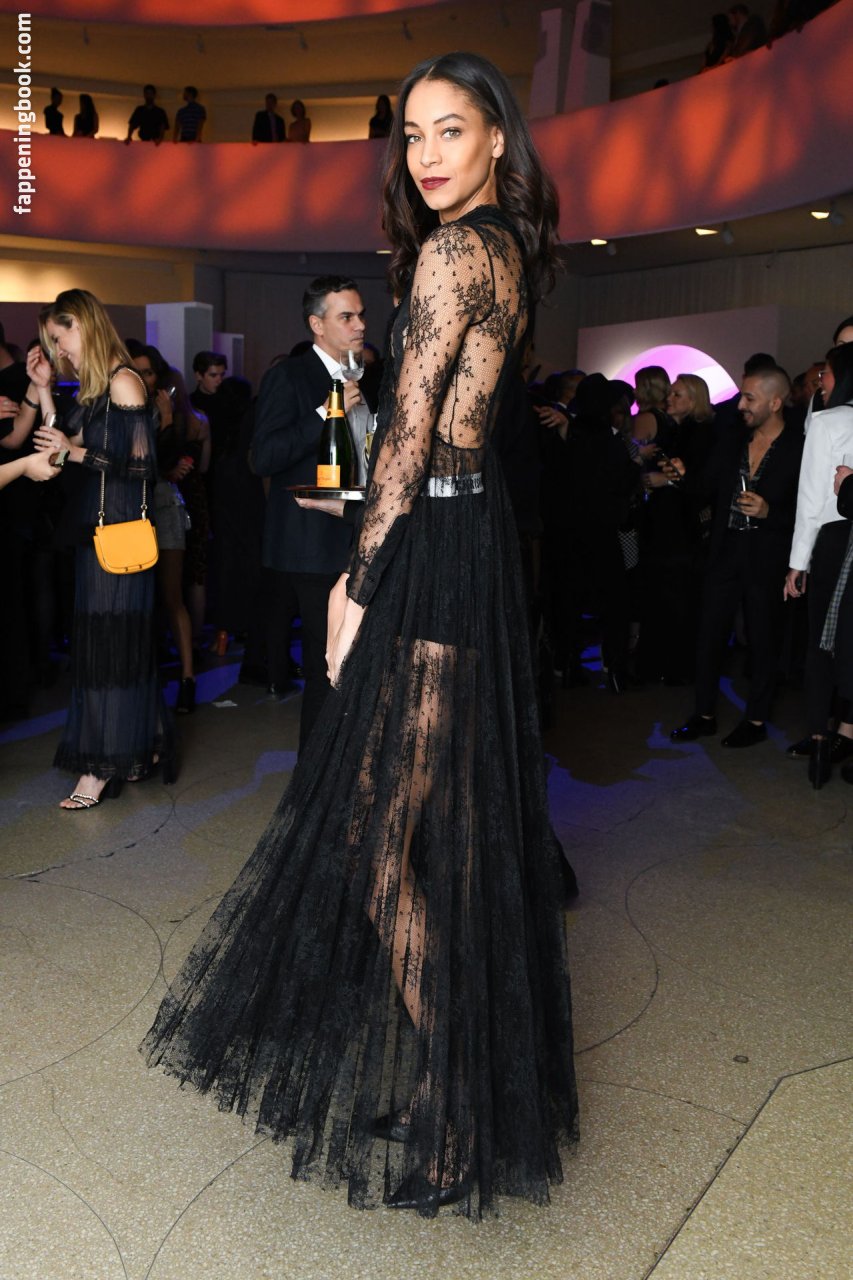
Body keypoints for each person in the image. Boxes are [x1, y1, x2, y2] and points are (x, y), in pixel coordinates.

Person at [143, 50, 578, 1218]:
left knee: (379, 833)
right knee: (436, 833)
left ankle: (461, 1100)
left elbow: (408, 436)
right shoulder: (507, 247)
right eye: (412, 134)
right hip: (468, 538)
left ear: (497, 137)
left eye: (451, 129)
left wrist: (357, 580)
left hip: (432, 549)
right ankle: (456, 1080)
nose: (427, 154)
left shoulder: (454, 251)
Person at [22, 289, 173, 807]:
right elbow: (57, 448)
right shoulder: (94, 390)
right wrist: (44, 392)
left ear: (82, 325)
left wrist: (75, 451)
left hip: (119, 534)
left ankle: (98, 769)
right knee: (111, 648)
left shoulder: (125, 381)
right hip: (98, 535)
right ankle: (142, 746)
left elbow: (142, 467)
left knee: (109, 653)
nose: (58, 349)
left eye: (59, 337)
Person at [248, 277, 370, 747]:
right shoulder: (290, 377)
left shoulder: (364, 375)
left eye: (361, 314)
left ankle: (342, 769)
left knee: (351, 661)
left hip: (356, 531)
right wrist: (325, 412)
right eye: (347, 317)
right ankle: (315, 778)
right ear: (317, 325)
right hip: (312, 542)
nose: (360, 325)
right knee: (327, 664)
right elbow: (263, 457)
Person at [671, 366, 803, 747]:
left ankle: (756, 720)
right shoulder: (732, 440)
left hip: (768, 557)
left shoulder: (799, 447)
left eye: (749, 398)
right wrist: (682, 474)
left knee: (763, 640)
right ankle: (704, 714)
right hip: (725, 551)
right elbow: (703, 487)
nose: (740, 404)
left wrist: (769, 512)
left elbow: (809, 511)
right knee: (709, 634)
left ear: (775, 403)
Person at [784, 343, 853, 786]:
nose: (820, 381)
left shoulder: (828, 422)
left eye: (825, 373)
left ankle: (819, 744)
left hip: (833, 541)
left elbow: (810, 499)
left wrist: (797, 563)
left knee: (819, 647)